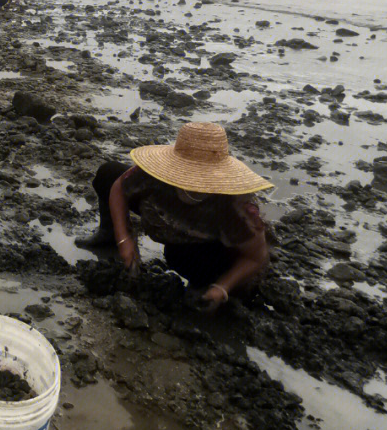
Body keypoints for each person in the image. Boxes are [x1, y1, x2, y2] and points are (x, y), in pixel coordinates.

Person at [76, 122, 272, 312]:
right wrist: (123, 237)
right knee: (107, 174)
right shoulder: (154, 173)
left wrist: (223, 287)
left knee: (178, 257)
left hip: (199, 246)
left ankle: (203, 282)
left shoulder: (236, 206)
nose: (191, 180)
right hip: (159, 216)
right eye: (185, 172)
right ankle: (108, 234)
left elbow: (256, 256)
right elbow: (118, 186)